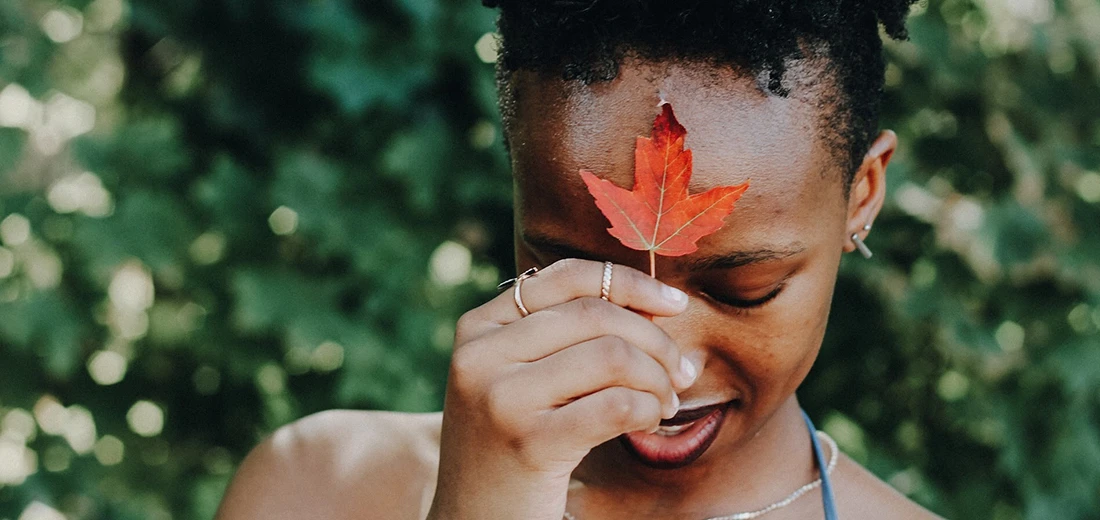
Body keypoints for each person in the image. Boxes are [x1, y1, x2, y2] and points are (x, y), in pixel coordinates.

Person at [216, 0, 942, 518]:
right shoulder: (315, 487)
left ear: (862, 196)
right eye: (574, 272)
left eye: (745, 288)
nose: (663, 365)